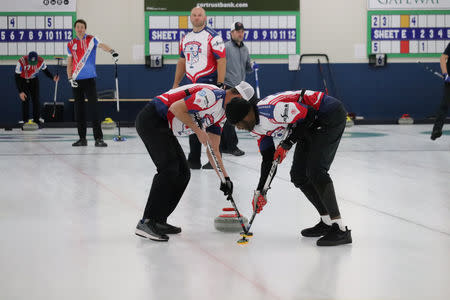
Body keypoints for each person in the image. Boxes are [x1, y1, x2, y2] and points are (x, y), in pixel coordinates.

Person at [225, 89, 352, 246]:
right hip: (307, 123)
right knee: (298, 175)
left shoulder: (271, 111)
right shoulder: (255, 128)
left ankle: (340, 228)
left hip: (328, 113)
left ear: (247, 113)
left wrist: (288, 142)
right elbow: (268, 159)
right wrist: (260, 191)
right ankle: (326, 222)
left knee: (316, 170)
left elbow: (310, 113)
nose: (240, 127)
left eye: (239, 123)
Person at [134, 81, 254, 242]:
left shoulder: (223, 114)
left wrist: (225, 179)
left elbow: (214, 150)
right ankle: (147, 222)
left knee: (183, 173)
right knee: (168, 169)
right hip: (153, 119)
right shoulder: (212, 95)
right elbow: (176, 108)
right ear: (236, 95)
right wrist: (198, 131)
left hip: (165, 127)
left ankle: (159, 220)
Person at [172, 6, 226, 169]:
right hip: (191, 84)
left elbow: (222, 60)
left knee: (211, 121)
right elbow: (182, 61)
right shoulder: (186, 38)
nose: (196, 17)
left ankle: (213, 159)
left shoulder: (213, 37)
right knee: (192, 120)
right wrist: (176, 83)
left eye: (199, 15)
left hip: (209, 83)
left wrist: (220, 84)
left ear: (205, 17)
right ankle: (193, 159)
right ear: (190, 17)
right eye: (194, 15)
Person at [66, 19, 119, 147]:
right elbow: (70, 62)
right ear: (75, 29)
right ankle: (82, 139)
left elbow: (102, 45)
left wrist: (112, 51)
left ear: (85, 29)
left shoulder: (91, 39)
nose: (80, 29)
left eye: (82, 27)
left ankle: (98, 139)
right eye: (78, 27)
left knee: (94, 109)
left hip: (89, 79)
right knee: (79, 111)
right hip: (76, 81)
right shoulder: (70, 44)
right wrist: (69, 78)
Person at [219, 21, 253, 156]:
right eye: (238, 31)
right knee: (229, 118)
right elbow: (219, 65)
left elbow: (247, 67)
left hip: (240, 88)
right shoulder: (225, 47)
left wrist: (252, 65)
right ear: (231, 33)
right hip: (228, 86)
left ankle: (226, 146)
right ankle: (231, 146)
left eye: (242, 31)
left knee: (229, 118)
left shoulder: (245, 49)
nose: (240, 34)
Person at [14, 51, 59, 126]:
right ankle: (25, 121)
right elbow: (17, 77)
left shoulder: (41, 61)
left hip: (34, 80)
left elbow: (45, 71)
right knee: (25, 100)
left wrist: (53, 77)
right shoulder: (21, 61)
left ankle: (36, 120)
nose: (32, 64)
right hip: (23, 79)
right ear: (28, 58)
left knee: (36, 100)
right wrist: (20, 91)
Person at [431, 42, 450, 140]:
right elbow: (443, 58)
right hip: (449, 80)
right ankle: (436, 130)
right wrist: (445, 74)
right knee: (444, 105)